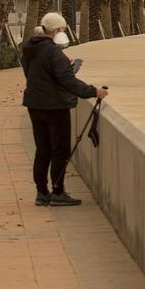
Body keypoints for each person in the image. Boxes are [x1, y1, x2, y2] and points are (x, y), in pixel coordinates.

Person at [21, 12, 108, 207]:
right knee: (60, 149)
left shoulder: (30, 48)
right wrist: (93, 91)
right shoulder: (54, 52)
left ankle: (41, 192)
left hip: (35, 104)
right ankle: (58, 191)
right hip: (55, 106)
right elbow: (67, 81)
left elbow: (32, 73)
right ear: (58, 30)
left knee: (42, 150)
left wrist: (62, 68)